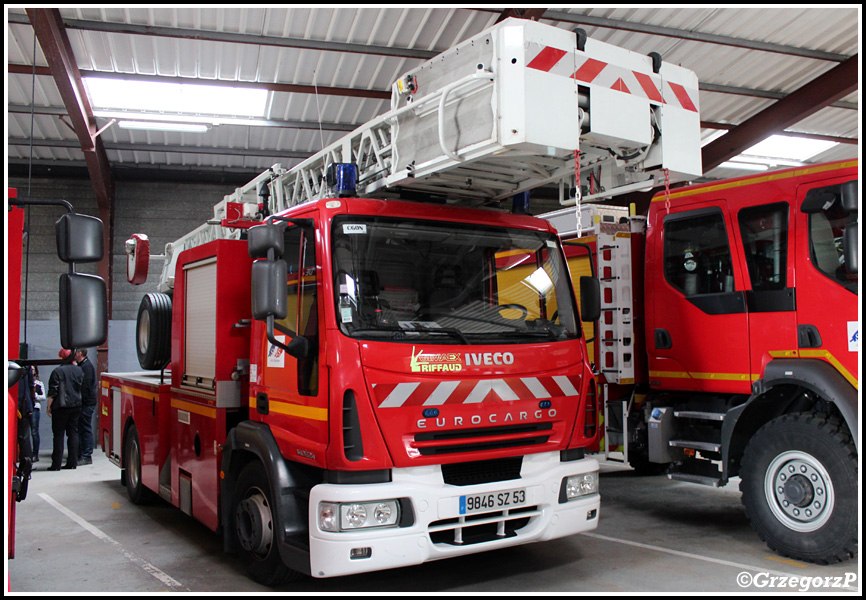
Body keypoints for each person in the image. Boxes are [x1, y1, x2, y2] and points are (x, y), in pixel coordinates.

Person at [47, 349, 84, 471]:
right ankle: (72, 462)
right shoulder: (79, 370)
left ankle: (56, 464)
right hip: (76, 405)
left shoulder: (57, 371)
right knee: (73, 433)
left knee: (58, 435)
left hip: (61, 407)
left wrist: (49, 406)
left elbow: (53, 391)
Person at [75, 348, 98, 465]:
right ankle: (83, 454)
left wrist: (80, 401)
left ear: (80, 353)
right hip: (86, 402)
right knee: (82, 428)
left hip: (86, 403)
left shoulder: (86, 367)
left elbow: (86, 387)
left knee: (85, 428)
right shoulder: (84, 366)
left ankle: (86, 455)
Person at [16, 364, 35, 468]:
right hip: (23, 403)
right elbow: (31, 386)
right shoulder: (26, 367)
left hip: (21, 403)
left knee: (23, 435)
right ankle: (27, 463)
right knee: (24, 436)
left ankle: (26, 461)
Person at [31, 367, 46, 462]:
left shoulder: (39, 383)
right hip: (26, 407)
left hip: (35, 407)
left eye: (33, 369)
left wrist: (35, 395)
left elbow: (43, 397)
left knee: (34, 431)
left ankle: (35, 454)